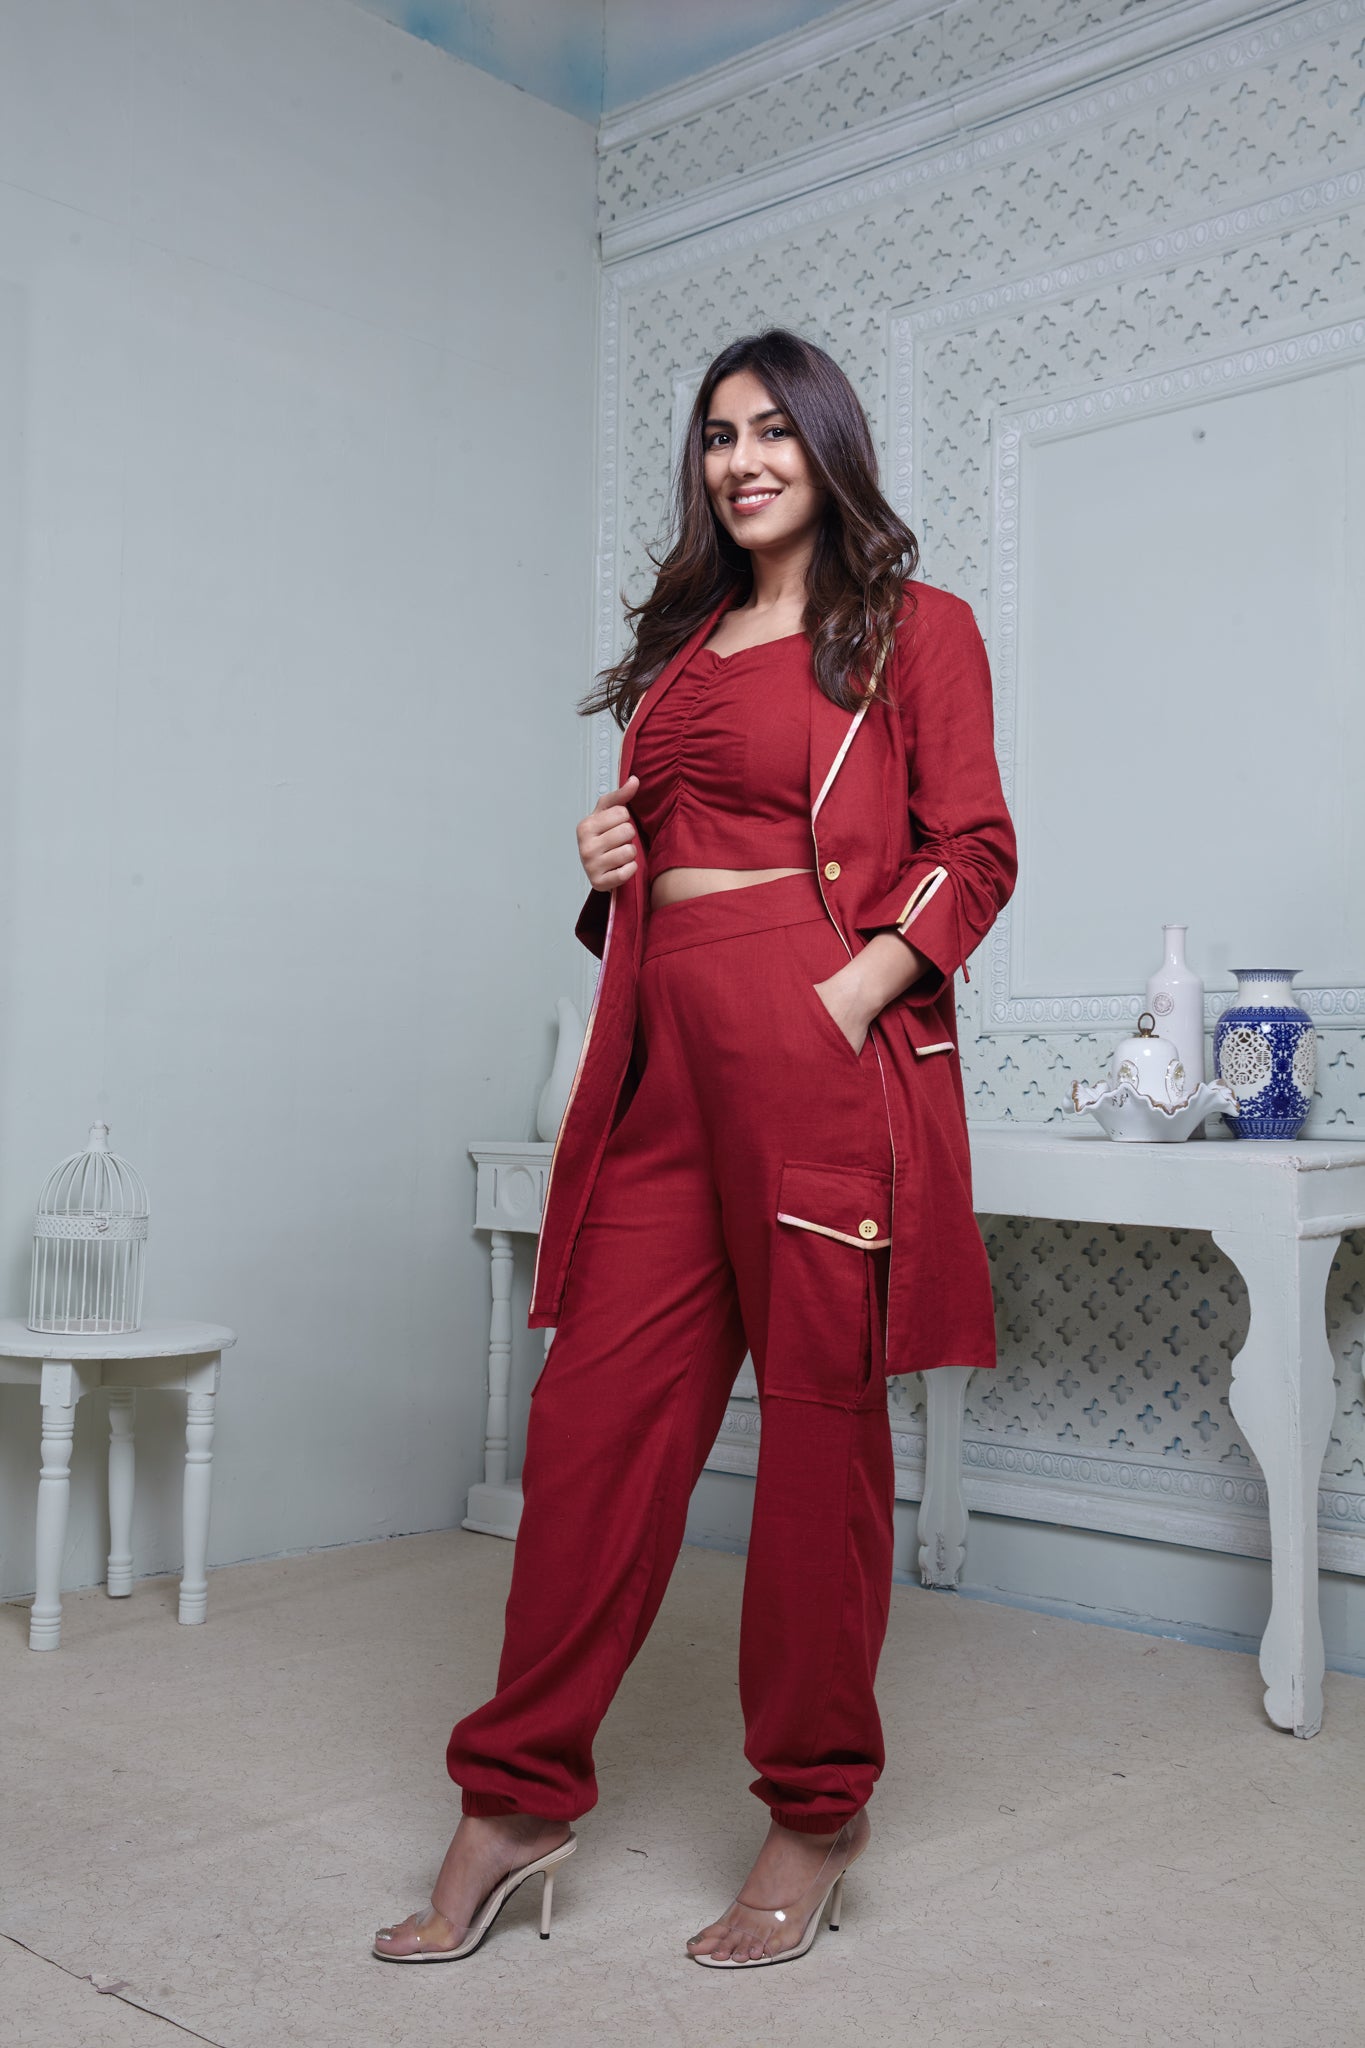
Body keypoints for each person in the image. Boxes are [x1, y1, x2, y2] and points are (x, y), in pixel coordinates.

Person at [374, 328, 1016, 1969]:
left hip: (815, 1054)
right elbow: (675, 856)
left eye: (772, 432)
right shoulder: (683, 650)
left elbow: (974, 849)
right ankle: (516, 1796)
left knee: (814, 1447)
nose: (741, 461)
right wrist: (612, 857)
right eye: (718, 436)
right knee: (592, 1425)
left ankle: (816, 1808)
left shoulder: (915, 630)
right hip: (662, 1063)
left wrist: (846, 995)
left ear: (827, 448)